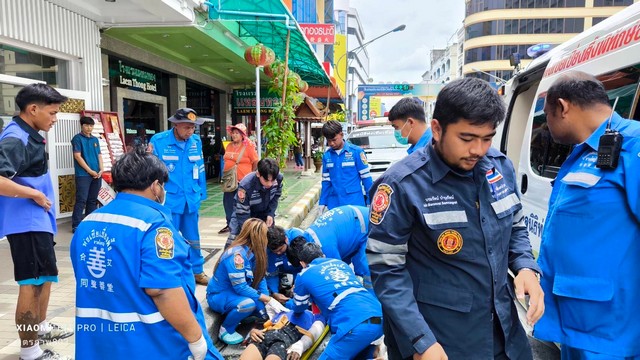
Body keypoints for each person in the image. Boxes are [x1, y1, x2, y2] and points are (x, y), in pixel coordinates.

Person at [366, 77, 544, 360]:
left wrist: (525, 267)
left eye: (487, 138)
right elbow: (386, 270)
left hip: (505, 333)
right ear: (437, 129)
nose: (478, 150)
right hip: (440, 340)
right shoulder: (402, 185)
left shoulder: (498, 169)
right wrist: (419, 339)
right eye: (467, 138)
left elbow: (516, 225)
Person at [70, 146, 223, 360]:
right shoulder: (155, 226)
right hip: (151, 344)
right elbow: (162, 290)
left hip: (98, 344)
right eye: (163, 185)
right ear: (155, 186)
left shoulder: (89, 222)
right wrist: (196, 339)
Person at [533, 71, 640, 359]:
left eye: (547, 115)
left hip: (611, 328)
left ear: (563, 107)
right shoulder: (582, 153)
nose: (546, 125)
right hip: (577, 318)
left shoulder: (634, 145)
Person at [0, 83, 73, 360]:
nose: (55, 119)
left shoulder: (30, 134)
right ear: (33, 109)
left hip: (37, 221)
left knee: (44, 279)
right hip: (26, 222)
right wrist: (35, 194)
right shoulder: (15, 137)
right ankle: (30, 351)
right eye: (52, 113)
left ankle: (40, 328)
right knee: (31, 284)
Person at [291, 242, 383, 360]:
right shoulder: (340, 264)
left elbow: (299, 306)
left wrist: (287, 302)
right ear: (323, 255)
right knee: (349, 348)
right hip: (378, 317)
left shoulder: (304, 274)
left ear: (302, 263)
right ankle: (372, 353)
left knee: (342, 346)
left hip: (354, 324)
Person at [149, 108, 209, 286]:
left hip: (191, 199)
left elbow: (200, 168)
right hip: (169, 201)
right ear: (175, 125)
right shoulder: (159, 141)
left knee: (193, 237)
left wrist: (201, 193)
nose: (190, 131)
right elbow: (151, 172)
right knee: (167, 237)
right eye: (186, 127)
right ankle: (168, 272)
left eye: (192, 127)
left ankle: (197, 271)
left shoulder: (195, 142)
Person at [207, 218, 287, 345]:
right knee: (248, 304)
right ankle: (226, 329)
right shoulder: (236, 257)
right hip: (220, 295)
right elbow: (241, 288)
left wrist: (267, 303)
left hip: (236, 293)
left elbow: (260, 278)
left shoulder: (253, 253)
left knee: (264, 314)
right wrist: (268, 299)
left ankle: (243, 316)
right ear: (258, 237)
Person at [301, 205, 372, 290]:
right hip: (354, 224)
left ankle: (375, 298)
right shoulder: (307, 238)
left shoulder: (326, 248)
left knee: (368, 267)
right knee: (359, 267)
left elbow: (338, 270)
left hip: (366, 225)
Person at [226, 158, 283, 247]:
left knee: (268, 242)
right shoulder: (246, 185)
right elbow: (242, 214)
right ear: (258, 174)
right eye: (266, 180)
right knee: (235, 243)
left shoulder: (278, 178)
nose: (270, 184)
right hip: (243, 215)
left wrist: (270, 213)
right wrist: (251, 233)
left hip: (264, 214)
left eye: (272, 180)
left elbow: (275, 197)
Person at [318, 120, 372, 211]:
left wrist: (370, 201)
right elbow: (326, 181)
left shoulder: (356, 152)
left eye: (334, 140)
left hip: (354, 203)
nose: (331, 143)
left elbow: (366, 178)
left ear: (341, 135)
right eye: (328, 141)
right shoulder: (326, 156)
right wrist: (322, 202)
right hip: (334, 204)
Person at [219, 123, 259, 234]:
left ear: (242, 135)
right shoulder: (229, 146)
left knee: (241, 204)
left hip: (242, 182)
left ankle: (243, 227)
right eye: (233, 133)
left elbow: (255, 161)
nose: (234, 135)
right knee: (227, 204)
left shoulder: (248, 146)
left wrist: (250, 174)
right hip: (229, 181)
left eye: (237, 133)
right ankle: (230, 225)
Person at [240, 309, 326, 360]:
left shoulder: (317, 316)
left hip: (284, 340)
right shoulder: (285, 308)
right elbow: (269, 323)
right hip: (264, 335)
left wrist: (299, 347)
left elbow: (315, 332)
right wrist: (253, 331)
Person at [71, 116, 103, 232]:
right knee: (81, 199)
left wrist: (101, 169)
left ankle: (90, 222)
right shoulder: (77, 139)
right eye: (86, 125)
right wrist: (90, 171)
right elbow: (77, 156)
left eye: (91, 125)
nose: (89, 128)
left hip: (97, 174)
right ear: (82, 125)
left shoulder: (95, 140)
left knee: (92, 200)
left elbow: (99, 155)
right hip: (83, 174)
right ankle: (76, 225)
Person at [265, 226, 305, 304]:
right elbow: (271, 274)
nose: (278, 253)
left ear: (286, 240)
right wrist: (275, 293)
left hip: (302, 271)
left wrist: (299, 283)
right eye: (275, 251)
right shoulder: (268, 252)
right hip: (284, 273)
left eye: (280, 249)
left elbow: (310, 263)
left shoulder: (298, 238)